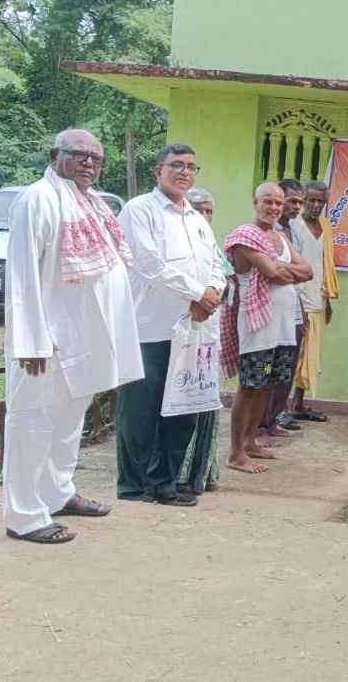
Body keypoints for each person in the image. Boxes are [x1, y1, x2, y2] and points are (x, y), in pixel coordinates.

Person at [3, 129, 143, 543]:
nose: (89, 162)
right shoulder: (38, 199)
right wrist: (30, 340)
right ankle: (24, 516)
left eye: (96, 157)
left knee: (68, 422)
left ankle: (57, 493)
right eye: (79, 154)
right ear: (55, 155)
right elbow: (23, 274)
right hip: (45, 342)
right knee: (32, 423)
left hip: (82, 339)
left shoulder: (92, 203)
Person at [115, 144, 226, 507]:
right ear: (157, 170)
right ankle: (134, 487)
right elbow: (149, 264)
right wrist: (197, 293)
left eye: (191, 166)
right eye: (176, 165)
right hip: (149, 329)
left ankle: (165, 482)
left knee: (183, 410)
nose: (184, 172)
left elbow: (215, 264)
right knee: (140, 411)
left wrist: (212, 292)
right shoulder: (139, 210)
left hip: (193, 331)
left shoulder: (195, 218)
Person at [221, 183, 313, 473]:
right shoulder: (245, 236)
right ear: (255, 202)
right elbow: (272, 272)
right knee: (250, 386)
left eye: (278, 203)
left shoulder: (280, 237)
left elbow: (308, 271)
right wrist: (283, 271)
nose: (273, 207)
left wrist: (283, 271)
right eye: (268, 201)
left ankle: (250, 443)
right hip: (257, 326)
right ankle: (236, 453)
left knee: (267, 386)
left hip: (283, 327)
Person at [176, 187, 232, 495]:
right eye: (198, 209)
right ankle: (179, 474)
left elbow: (226, 283)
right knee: (182, 402)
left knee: (206, 402)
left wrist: (210, 296)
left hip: (209, 336)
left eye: (210, 210)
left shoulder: (212, 245)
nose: (205, 215)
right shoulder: (177, 242)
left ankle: (202, 472)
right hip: (182, 334)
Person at [260, 178, 310, 440]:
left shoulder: (293, 231)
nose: (296, 207)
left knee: (285, 370)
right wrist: (293, 272)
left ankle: (273, 420)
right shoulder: (264, 233)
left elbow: (306, 272)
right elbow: (272, 272)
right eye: (291, 201)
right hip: (269, 312)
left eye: (299, 202)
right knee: (265, 371)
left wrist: (304, 313)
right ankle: (258, 424)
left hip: (294, 310)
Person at [289, 180, 340, 422]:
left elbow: (325, 265)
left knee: (311, 355)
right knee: (293, 355)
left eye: (321, 201)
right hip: (296, 300)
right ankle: (277, 411)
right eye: (312, 200)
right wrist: (297, 302)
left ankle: (297, 405)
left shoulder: (326, 227)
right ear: (303, 201)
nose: (316, 205)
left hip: (318, 298)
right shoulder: (293, 226)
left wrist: (327, 299)